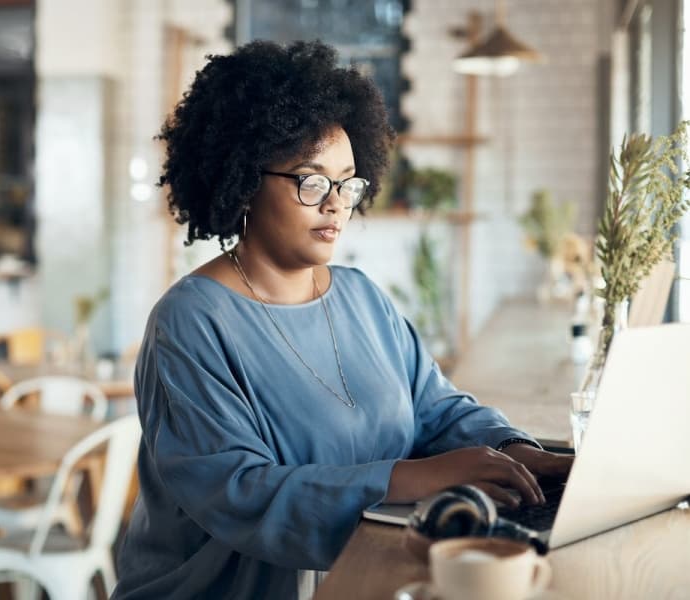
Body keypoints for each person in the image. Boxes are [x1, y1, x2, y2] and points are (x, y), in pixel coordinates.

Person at [113, 40, 572, 600]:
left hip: (358, 575)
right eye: (311, 180)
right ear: (244, 181)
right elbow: (239, 492)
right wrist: (419, 476)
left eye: (348, 182)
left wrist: (514, 450)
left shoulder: (361, 298)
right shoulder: (189, 323)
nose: (336, 203)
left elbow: (434, 407)